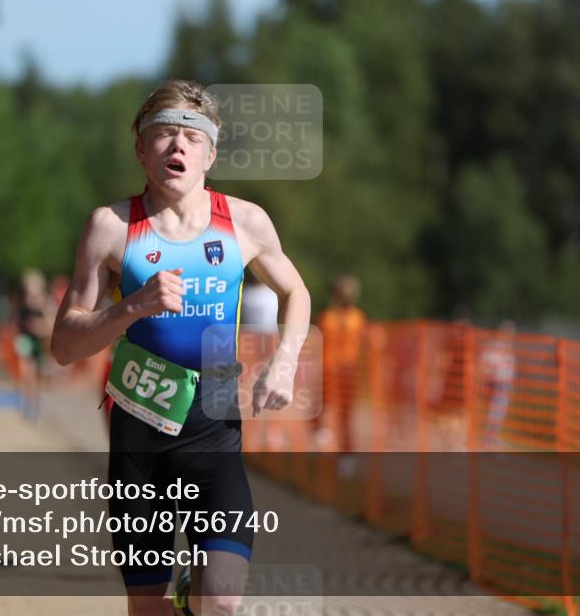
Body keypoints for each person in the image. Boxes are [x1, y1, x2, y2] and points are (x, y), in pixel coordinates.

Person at [50, 79, 311, 616]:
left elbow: (296, 291)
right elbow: (63, 345)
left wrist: (284, 364)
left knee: (221, 601)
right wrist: (130, 307)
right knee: (148, 608)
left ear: (210, 154)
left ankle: (197, 593)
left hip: (214, 432)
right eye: (163, 135)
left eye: (190, 139)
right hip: (138, 439)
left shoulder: (244, 221)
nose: (177, 147)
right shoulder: (111, 227)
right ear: (141, 149)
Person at [313, 274, 367, 454]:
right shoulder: (358, 318)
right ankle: (345, 453)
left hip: (329, 370)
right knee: (345, 416)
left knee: (320, 410)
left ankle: (322, 439)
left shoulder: (327, 318)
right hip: (346, 371)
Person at [14, 268, 55, 422]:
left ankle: (36, 407)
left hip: (41, 344)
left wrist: (40, 324)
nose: (29, 295)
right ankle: (27, 404)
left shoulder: (46, 305)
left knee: (38, 379)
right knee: (27, 373)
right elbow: (18, 324)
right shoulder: (23, 306)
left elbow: (51, 327)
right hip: (27, 343)